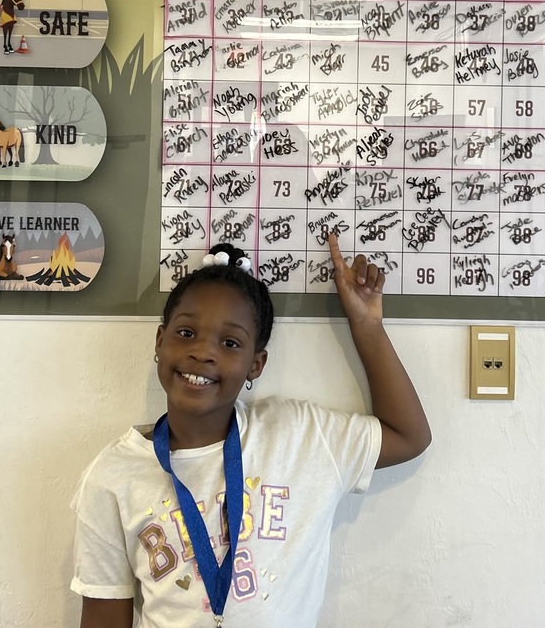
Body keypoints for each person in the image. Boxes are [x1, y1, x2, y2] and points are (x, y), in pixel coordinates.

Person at [71, 233, 431, 628]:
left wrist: (366, 325)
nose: (203, 352)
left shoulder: (300, 437)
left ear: (255, 366)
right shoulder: (112, 477)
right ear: (160, 341)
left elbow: (408, 435)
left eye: (229, 342)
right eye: (187, 333)